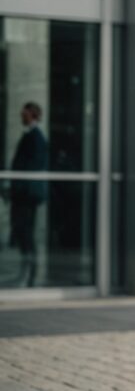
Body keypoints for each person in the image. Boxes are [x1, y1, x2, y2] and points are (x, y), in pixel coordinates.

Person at [2, 102, 49, 288]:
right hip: (23, 195)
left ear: (33, 115)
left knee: (26, 233)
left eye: (25, 113)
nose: (21, 115)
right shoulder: (31, 136)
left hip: (27, 196)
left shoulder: (36, 138)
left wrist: (16, 189)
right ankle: (26, 273)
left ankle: (31, 275)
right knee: (23, 233)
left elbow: (31, 169)